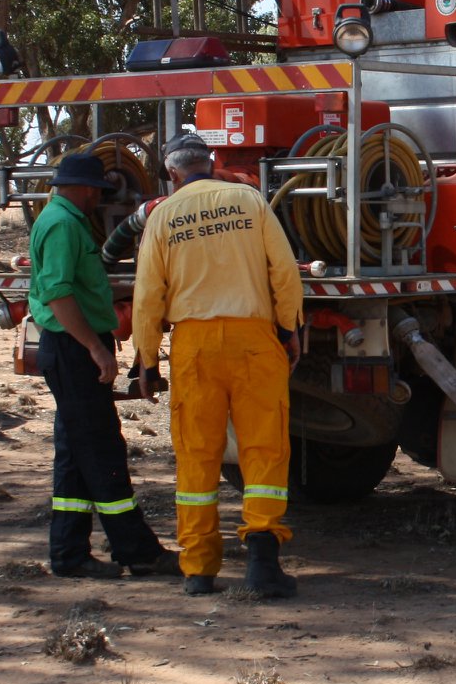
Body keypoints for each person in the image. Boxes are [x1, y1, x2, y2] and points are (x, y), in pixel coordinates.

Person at [132, 134, 304, 598]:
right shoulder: (250, 200)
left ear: (172, 174)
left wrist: (147, 361)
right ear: (211, 163)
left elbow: (148, 298)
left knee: (197, 455)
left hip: (194, 345)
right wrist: (288, 330)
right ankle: (263, 566)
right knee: (264, 449)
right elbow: (285, 274)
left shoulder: (163, 215)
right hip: (254, 338)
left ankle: (199, 570)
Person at [27, 152, 176, 580]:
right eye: (98, 191)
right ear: (86, 188)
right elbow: (57, 293)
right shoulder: (61, 225)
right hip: (73, 349)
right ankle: (138, 550)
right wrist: (95, 347)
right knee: (101, 449)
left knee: (75, 454)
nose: (100, 200)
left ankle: (69, 554)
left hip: (69, 345)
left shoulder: (62, 221)